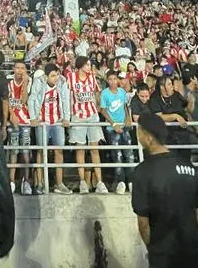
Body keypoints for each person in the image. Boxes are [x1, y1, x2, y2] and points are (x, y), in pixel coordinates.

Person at [132, 112, 198, 268]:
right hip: (193, 256)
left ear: (148, 137)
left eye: (139, 131)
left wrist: (155, 248)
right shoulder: (189, 166)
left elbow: (143, 224)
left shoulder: (142, 172)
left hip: (162, 261)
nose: (137, 136)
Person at [28, 63, 72, 195]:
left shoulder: (62, 82)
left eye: (57, 74)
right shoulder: (39, 82)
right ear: (46, 76)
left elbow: (65, 100)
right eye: (53, 76)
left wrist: (66, 118)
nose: (56, 78)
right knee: (41, 152)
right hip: (42, 122)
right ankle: (40, 183)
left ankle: (59, 183)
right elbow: (32, 99)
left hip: (57, 122)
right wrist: (33, 117)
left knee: (59, 151)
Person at [67, 56, 108, 194]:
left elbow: (97, 91)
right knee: (80, 150)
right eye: (87, 65)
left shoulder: (92, 77)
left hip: (92, 116)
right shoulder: (71, 77)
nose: (89, 67)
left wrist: (97, 105)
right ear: (80, 66)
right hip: (77, 116)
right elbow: (66, 94)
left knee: (94, 149)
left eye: (90, 64)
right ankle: (82, 182)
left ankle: (100, 182)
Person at [100, 70, 134, 194]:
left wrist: (128, 118)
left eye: (115, 79)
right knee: (117, 155)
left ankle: (131, 181)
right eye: (111, 79)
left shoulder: (122, 92)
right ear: (107, 81)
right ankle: (121, 181)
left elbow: (125, 106)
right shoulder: (105, 93)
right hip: (112, 128)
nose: (113, 82)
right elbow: (103, 110)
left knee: (129, 154)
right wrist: (113, 124)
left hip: (124, 126)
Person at [6, 60, 32, 195]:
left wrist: (25, 83)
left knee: (25, 151)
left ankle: (26, 181)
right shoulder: (9, 83)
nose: (20, 70)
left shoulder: (29, 82)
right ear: (14, 69)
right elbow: (7, 101)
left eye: (23, 68)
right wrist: (11, 114)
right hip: (13, 121)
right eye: (18, 68)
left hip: (25, 120)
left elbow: (24, 100)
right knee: (13, 151)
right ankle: (11, 181)